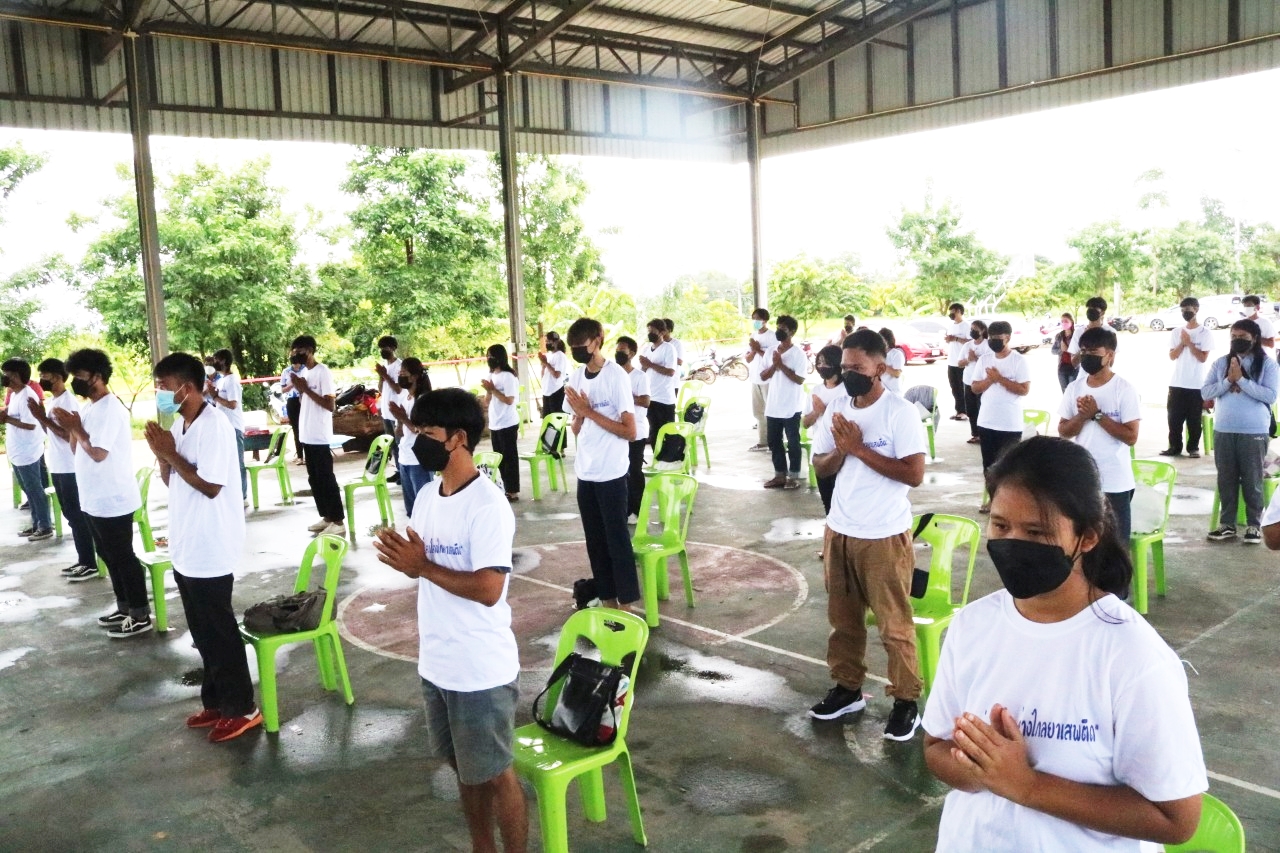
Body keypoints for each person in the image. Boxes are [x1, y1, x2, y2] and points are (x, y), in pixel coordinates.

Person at [923, 437, 1206, 851]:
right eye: (1000, 526)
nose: (1013, 543)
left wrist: (1027, 785)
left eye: (1035, 531)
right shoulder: (973, 625)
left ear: (1087, 537)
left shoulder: (1132, 656)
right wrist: (981, 767)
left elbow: (1176, 819)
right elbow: (935, 745)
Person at [371, 388, 527, 853]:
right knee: (465, 769)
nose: (417, 440)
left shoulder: (488, 505)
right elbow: (423, 567)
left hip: (480, 669)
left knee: (496, 774)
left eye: (427, 431)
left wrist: (422, 567)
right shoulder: (426, 497)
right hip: (438, 664)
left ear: (458, 438)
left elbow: (489, 589)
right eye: (415, 429)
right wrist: (408, 562)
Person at [808, 329, 928, 741]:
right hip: (840, 530)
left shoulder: (899, 412)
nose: (848, 374)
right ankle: (848, 689)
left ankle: (906, 701)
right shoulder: (838, 407)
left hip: (883, 535)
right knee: (843, 622)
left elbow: (914, 474)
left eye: (857, 367)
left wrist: (859, 449)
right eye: (844, 367)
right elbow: (820, 465)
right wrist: (842, 450)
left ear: (880, 367)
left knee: (894, 626)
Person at [146, 353, 260, 742]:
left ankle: (243, 708)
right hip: (187, 543)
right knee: (202, 631)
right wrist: (163, 455)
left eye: (163, 386)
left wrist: (169, 454)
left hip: (211, 543)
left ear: (187, 387)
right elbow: (173, 480)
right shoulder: (181, 423)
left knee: (219, 631)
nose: (160, 393)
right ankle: (216, 701)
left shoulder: (214, 426)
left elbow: (210, 486)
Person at [55, 349, 151, 637]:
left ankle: (140, 614)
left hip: (113, 497)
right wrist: (72, 428)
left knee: (123, 557)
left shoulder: (110, 408)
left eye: (80, 376)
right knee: (106, 554)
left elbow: (98, 453)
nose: (75, 381)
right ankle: (124, 607)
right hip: (93, 497)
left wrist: (76, 429)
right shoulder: (88, 408)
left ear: (97, 376)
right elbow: (77, 448)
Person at [563, 317, 638, 609]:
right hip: (586, 472)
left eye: (581, 346)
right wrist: (580, 416)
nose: (577, 351)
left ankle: (627, 608)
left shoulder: (615, 376)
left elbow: (630, 431)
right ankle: (608, 603)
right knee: (595, 543)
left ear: (597, 341)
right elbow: (576, 427)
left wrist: (589, 412)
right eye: (573, 347)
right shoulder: (576, 377)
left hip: (611, 473)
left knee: (617, 542)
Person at [1057, 326, 1141, 543]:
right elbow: (1064, 431)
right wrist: (1082, 416)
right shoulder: (1074, 388)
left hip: (1115, 481)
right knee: (1083, 543)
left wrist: (1097, 415)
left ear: (1109, 355)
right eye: (1083, 351)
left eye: (1093, 352)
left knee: (1115, 545)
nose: (1087, 357)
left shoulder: (1124, 389)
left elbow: (1131, 437)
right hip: (1084, 480)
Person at [1203, 319, 1279, 544]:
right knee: (1225, 479)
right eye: (1234, 337)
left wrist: (1242, 381)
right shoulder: (1220, 363)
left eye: (1243, 337)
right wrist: (1229, 380)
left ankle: (1254, 525)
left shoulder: (1267, 365)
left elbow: (1270, 396)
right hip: (1224, 429)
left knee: (1252, 479)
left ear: (1254, 338)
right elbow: (1206, 391)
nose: (1237, 340)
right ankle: (1227, 524)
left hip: (1253, 430)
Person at [28, 358, 97, 576]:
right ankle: (82, 559)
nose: (41, 380)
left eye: (44, 376)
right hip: (58, 466)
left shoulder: (68, 402)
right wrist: (42, 418)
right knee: (70, 515)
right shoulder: (53, 401)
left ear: (57, 377)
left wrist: (42, 418)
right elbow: (51, 432)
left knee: (77, 516)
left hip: (70, 467)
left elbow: (69, 436)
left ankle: (89, 562)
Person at [288, 335, 345, 537]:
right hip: (307, 434)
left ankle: (338, 520)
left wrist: (305, 389)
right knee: (315, 479)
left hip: (319, 434)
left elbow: (330, 405)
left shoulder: (323, 372)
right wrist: (300, 390)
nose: (296, 355)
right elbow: (306, 402)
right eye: (294, 351)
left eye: (300, 351)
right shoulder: (306, 372)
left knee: (326, 478)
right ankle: (327, 516)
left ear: (311, 351)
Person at [972, 321, 1030, 512]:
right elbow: (975, 388)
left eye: (998, 338)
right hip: (987, 421)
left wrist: (1000, 379)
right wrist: (990, 380)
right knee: (989, 466)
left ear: (1008, 338)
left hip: (1010, 424)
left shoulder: (1018, 361)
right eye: (991, 338)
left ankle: (1009, 503)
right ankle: (993, 500)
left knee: (1009, 467)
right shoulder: (984, 360)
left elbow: (1024, 389)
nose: (993, 342)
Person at [2, 358, 52, 541]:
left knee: (34, 490)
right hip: (18, 451)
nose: (4, 377)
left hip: (27, 451)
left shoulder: (27, 396)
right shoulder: (15, 394)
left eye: (7, 374)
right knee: (28, 489)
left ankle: (45, 526)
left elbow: (31, 425)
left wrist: (6, 419)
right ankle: (36, 523)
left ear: (17, 376)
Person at [762, 314, 808, 490]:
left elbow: (799, 379)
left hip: (791, 406)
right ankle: (779, 475)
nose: (779, 331)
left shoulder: (798, 354)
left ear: (792, 332)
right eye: (778, 328)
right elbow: (763, 376)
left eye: (783, 329)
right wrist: (775, 365)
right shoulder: (771, 352)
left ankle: (794, 477)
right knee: (774, 442)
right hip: (773, 405)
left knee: (793, 442)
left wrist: (781, 365)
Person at [1162, 297, 1212, 459]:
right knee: (1174, 419)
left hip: (1196, 384)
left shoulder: (1205, 333)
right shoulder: (1177, 332)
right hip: (1177, 383)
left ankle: (1193, 448)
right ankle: (1174, 447)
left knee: (1194, 420)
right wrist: (1182, 343)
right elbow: (1172, 356)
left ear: (1196, 309)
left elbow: (1202, 358)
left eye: (1188, 310)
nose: (1185, 313)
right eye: (1183, 310)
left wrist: (1189, 343)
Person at [802, 344, 848, 516]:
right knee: (828, 502)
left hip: (842, 454)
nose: (822, 366)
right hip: (821, 454)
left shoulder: (847, 390)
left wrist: (826, 409)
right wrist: (816, 412)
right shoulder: (816, 391)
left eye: (826, 362)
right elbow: (805, 423)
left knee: (843, 501)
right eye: (819, 362)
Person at [386, 358, 433, 515]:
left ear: (414, 376)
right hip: (405, 457)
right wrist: (399, 420)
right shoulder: (405, 396)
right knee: (411, 510)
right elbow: (400, 432)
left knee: (423, 508)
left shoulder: (424, 399)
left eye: (403, 373)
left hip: (418, 459)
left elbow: (422, 430)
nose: (400, 376)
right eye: (399, 373)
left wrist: (404, 418)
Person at [615, 336, 650, 524]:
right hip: (618, 431)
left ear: (632, 353)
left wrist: (627, 397)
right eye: (617, 350)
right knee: (620, 472)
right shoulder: (614, 375)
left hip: (637, 431)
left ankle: (637, 510)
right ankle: (624, 509)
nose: (619, 353)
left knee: (634, 472)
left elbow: (645, 401)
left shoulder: (639, 377)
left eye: (622, 350)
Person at [204, 349, 247, 499]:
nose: (213, 363)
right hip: (224, 427)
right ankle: (233, 495)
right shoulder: (222, 380)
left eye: (215, 360)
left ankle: (242, 496)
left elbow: (233, 404)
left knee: (238, 463)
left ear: (223, 361)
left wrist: (215, 397)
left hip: (233, 426)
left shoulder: (231, 380)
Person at [480, 344, 521, 502]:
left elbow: (509, 400)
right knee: (499, 458)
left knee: (509, 458)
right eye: (488, 356)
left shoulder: (508, 376)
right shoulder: (491, 375)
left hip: (508, 422)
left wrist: (493, 390)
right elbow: (487, 401)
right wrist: (488, 391)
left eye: (492, 356)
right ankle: (504, 487)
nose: (489, 359)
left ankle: (513, 490)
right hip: (495, 423)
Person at [638, 318, 677, 448]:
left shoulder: (669, 348)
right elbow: (643, 371)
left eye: (653, 331)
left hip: (664, 398)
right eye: (649, 331)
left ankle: (671, 458)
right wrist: (644, 365)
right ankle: (657, 458)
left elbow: (670, 371)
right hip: (650, 397)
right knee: (654, 432)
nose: (650, 333)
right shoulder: (646, 349)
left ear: (662, 332)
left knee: (668, 433)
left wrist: (650, 364)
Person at [745, 308, 778, 452]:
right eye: (753, 319)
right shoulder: (753, 335)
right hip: (755, 379)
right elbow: (748, 358)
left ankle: (774, 442)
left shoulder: (772, 336)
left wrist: (758, 349)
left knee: (771, 412)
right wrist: (754, 349)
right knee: (758, 412)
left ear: (765, 320)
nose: (755, 322)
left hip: (768, 380)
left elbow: (774, 359)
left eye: (757, 319)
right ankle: (763, 441)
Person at [373, 335, 403, 484]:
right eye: (381, 348)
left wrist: (384, 374)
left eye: (385, 347)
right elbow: (381, 389)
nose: (383, 351)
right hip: (386, 412)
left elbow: (398, 389)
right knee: (392, 444)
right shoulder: (385, 366)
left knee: (399, 443)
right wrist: (381, 376)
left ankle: (403, 472)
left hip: (396, 412)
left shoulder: (399, 366)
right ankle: (398, 470)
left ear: (393, 348)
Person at [959, 320, 990, 445]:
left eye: (975, 329)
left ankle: (984, 434)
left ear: (982, 331)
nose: (972, 331)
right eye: (971, 329)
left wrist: (976, 358)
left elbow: (990, 364)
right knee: (971, 409)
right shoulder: (967, 345)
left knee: (982, 408)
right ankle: (975, 434)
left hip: (982, 382)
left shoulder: (988, 345)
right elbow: (959, 363)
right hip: (968, 381)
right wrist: (968, 359)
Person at [944, 303, 969, 420]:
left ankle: (965, 411)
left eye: (953, 312)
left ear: (959, 311)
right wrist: (949, 339)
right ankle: (959, 410)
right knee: (954, 388)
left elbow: (970, 342)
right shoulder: (951, 326)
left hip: (962, 362)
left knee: (962, 387)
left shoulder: (966, 326)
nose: (951, 314)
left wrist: (956, 338)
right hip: (951, 361)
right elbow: (950, 340)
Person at [537, 331, 570, 419]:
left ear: (555, 342)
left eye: (549, 341)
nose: (547, 343)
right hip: (546, 392)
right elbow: (544, 375)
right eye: (546, 341)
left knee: (556, 421)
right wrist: (543, 366)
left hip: (556, 391)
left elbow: (557, 375)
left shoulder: (560, 356)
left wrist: (546, 363)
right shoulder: (549, 355)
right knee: (547, 420)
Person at [281, 350, 306, 464]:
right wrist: (292, 384)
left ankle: (308, 455)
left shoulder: (305, 370)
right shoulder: (286, 372)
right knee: (296, 429)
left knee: (305, 427)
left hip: (304, 400)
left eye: (298, 365)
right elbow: (283, 389)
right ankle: (300, 456)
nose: (297, 367)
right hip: (292, 400)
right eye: (295, 365)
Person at [1069, 296, 1107, 368]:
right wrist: (1085, 346)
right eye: (1089, 308)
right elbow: (1074, 363)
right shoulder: (1078, 332)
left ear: (1102, 313)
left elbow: (1111, 362)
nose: (1091, 311)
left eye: (1095, 308)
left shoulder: (1109, 332)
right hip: (1083, 374)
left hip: (1103, 374)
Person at [1052, 313, 1077, 391]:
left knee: (1072, 391)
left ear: (1071, 322)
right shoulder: (1059, 336)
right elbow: (1053, 350)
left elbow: (1081, 352)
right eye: (1062, 321)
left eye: (1066, 321)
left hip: (1074, 368)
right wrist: (1061, 350)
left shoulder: (1076, 335)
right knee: (1065, 392)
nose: (1063, 323)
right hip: (1062, 368)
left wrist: (1068, 350)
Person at [879, 327, 905, 395]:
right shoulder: (878, 354)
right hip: (880, 393)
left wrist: (882, 366)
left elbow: (897, 373)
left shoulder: (896, 354)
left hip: (893, 393)